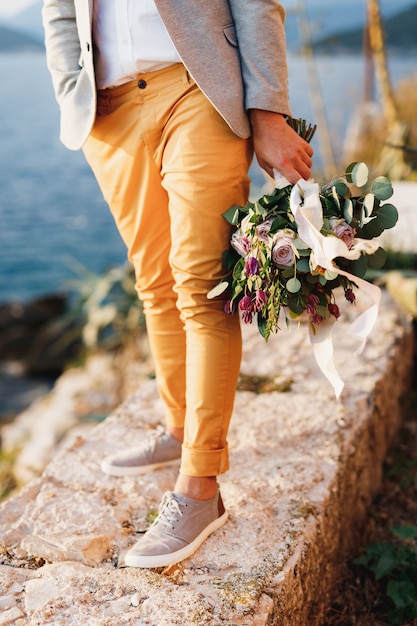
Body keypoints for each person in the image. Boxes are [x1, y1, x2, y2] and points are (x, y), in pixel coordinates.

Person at [42, 0, 313, 569]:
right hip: (108, 109)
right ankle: (180, 425)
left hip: (197, 87)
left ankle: (200, 487)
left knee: (201, 285)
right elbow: (58, 9)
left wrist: (268, 113)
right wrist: (73, 87)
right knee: (155, 283)